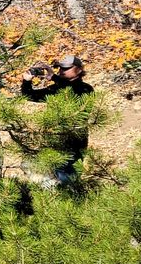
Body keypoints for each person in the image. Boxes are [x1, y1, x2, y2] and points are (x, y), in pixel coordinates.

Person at [20, 54, 93, 186]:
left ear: (79, 69)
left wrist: (53, 77)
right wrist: (26, 81)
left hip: (74, 141)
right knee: (29, 165)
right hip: (54, 140)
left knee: (68, 180)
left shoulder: (86, 89)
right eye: (60, 68)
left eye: (65, 69)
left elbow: (72, 92)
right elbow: (30, 96)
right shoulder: (57, 88)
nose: (61, 71)